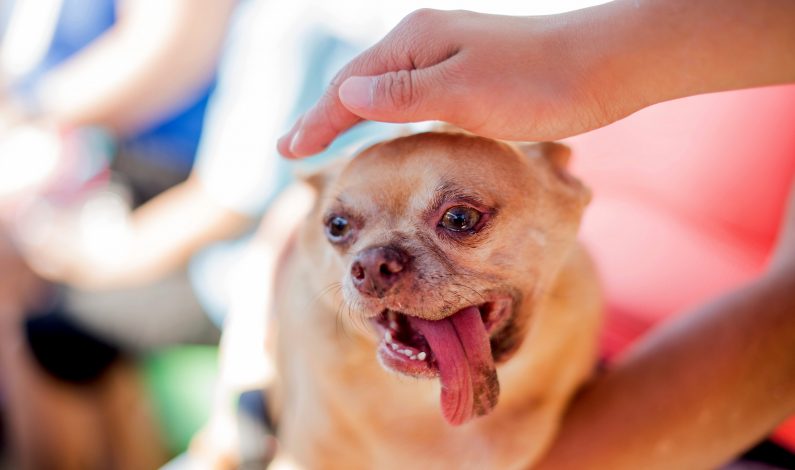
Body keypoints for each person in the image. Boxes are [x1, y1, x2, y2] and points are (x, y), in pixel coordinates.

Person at [278, 1, 795, 468]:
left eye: (458, 220)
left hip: (724, 423)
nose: (373, 265)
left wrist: (585, 58)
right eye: (341, 228)